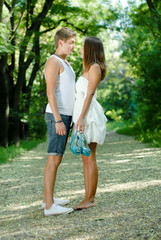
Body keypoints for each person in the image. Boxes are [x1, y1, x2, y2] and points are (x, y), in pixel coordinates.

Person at [42, 27, 76, 216]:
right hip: (58, 116)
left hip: (65, 116)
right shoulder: (53, 61)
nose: (73, 46)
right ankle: (49, 206)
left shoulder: (66, 63)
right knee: (53, 159)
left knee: (58, 158)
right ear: (60, 42)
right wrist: (57, 120)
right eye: (71, 42)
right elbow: (50, 92)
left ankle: (49, 199)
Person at [72, 36, 107, 210]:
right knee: (85, 158)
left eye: (83, 47)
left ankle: (90, 198)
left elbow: (90, 94)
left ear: (91, 49)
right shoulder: (87, 68)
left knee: (89, 156)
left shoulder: (94, 67)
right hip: (82, 115)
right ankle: (87, 197)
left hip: (88, 115)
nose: (80, 50)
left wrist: (82, 118)